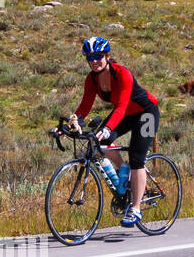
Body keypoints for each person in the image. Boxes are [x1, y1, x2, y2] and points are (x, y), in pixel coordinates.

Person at [68, 36, 160, 226]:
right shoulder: (91, 79)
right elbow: (85, 106)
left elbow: (122, 105)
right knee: (98, 144)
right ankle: (123, 172)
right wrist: (68, 124)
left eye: (98, 56)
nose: (93, 61)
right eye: (89, 57)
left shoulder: (122, 74)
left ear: (107, 56)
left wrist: (108, 128)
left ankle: (135, 209)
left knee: (137, 158)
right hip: (124, 114)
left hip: (146, 113)